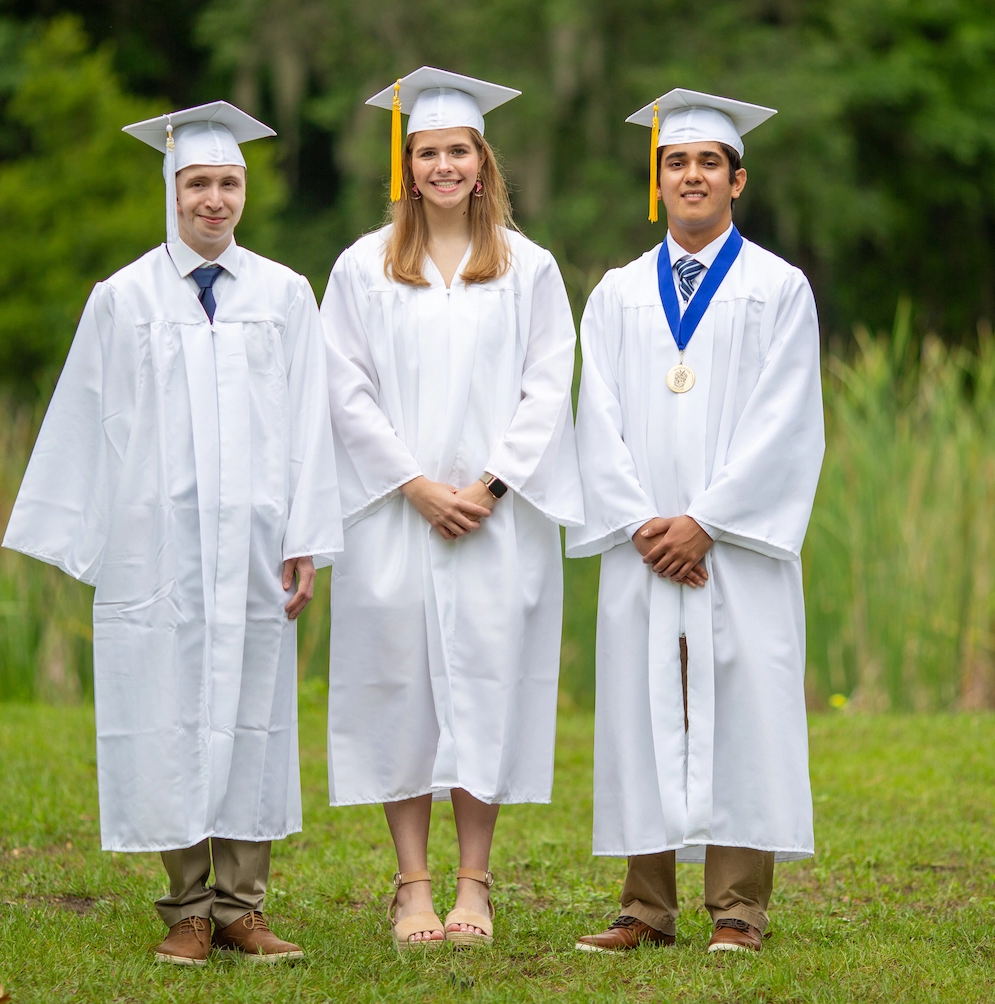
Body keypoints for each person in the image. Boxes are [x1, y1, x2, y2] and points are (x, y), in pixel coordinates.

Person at [3, 101, 342, 966]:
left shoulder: (284, 294)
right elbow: (86, 417)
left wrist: (305, 536)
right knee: (167, 712)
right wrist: (86, 536)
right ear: (171, 188)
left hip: (257, 543)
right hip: (160, 548)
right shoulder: (123, 299)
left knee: (252, 714)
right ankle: (188, 907)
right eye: (198, 183)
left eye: (229, 182)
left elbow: (310, 422)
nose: (215, 200)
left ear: (244, 191)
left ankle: (242, 908)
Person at [320, 66, 583, 950]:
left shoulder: (528, 266)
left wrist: (491, 485)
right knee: (400, 683)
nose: (443, 165)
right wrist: (416, 484)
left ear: (482, 161)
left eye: (458, 150)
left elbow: (548, 385)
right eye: (427, 151)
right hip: (396, 513)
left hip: (496, 519)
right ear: (408, 165)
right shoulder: (362, 267)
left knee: (487, 682)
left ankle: (475, 882)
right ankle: (413, 885)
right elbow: (345, 389)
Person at [568, 89, 825, 954]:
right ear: (658, 181)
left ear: (736, 180)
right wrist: (644, 524)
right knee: (642, 705)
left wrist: (707, 521)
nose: (691, 176)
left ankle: (739, 906)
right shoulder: (616, 294)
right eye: (675, 162)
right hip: (645, 547)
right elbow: (595, 418)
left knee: (745, 706)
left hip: (733, 548)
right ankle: (645, 905)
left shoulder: (777, 289)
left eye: (708, 162)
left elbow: (787, 419)